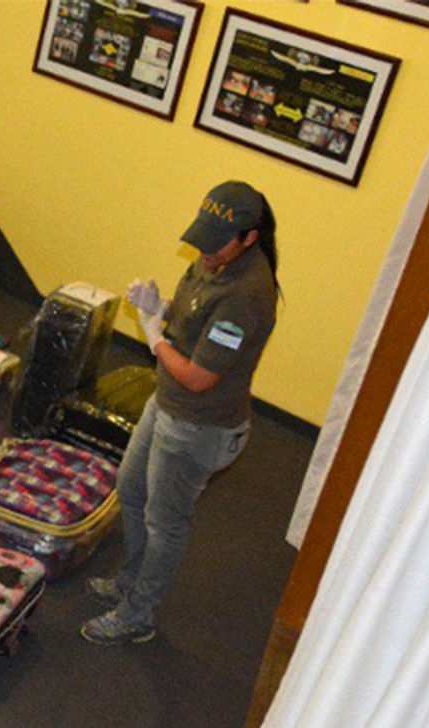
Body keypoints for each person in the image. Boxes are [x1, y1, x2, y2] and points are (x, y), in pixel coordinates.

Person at [81, 180, 280, 645]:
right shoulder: (214, 261)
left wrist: (154, 338)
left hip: (198, 426)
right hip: (168, 403)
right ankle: (129, 581)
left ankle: (138, 615)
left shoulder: (246, 295)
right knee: (131, 489)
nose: (205, 251)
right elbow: (193, 318)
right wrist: (161, 309)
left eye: (217, 243)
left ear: (250, 237)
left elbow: (198, 377)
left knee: (164, 523)